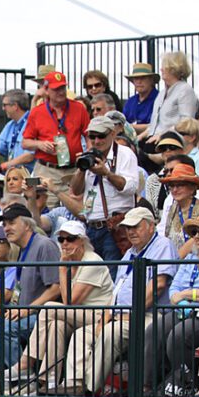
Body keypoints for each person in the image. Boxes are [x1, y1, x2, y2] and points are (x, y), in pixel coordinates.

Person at [61, 208, 174, 397]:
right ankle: (73, 383)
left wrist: (131, 313)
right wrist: (104, 317)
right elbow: (116, 291)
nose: (130, 231)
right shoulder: (130, 252)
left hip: (148, 315)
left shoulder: (163, 245)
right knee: (83, 334)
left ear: (151, 226)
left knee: (110, 332)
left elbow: (158, 286)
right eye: (127, 227)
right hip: (119, 314)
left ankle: (88, 388)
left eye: (135, 226)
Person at [6, 221, 114, 394]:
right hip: (80, 315)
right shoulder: (71, 261)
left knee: (49, 308)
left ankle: (26, 362)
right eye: (61, 239)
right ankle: (47, 383)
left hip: (100, 315)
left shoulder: (92, 261)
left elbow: (70, 301)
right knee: (57, 326)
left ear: (81, 241)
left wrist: (62, 269)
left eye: (70, 239)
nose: (64, 243)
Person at [153, 209, 199, 396]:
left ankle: (188, 383)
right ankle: (147, 387)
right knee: (154, 330)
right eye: (194, 232)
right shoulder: (191, 257)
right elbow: (174, 287)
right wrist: (180, 299)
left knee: (177, 337)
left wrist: (187, 294)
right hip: (183, 310)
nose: (197, 236)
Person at [0, 205, 60, 380]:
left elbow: (56, 288)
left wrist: (27, 309)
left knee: (1, 327)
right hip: (23, 311)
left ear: (27, 225)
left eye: (11, 223)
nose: (6, 228)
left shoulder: (44, 245)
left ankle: (23, 378)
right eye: (4, 224)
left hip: (43, 315)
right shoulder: (21, 250)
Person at [65, 115, 139, 260]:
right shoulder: (88, 155)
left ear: (112, 133)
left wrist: (106, 173)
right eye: (92, 137)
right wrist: (81, 169)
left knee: (112, 274)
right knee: (93, 276)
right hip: (91, 226)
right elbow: (76, 190)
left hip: (115, 227)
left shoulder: (125, 154)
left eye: (101, 136)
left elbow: (131, 188)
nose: (96, 141)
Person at [22, 71, 91, 198]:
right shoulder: (37, 112)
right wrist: (40, 144)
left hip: (73, 171)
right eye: (56, 89)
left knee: (75, 209)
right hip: (46, 171)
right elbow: (25, 142)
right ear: (46, 90)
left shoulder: (79, 108)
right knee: (45, 209)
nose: (61, 92)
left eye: (63, 88)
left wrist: (89, 153)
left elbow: (89, 135)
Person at [141, 51, 198, 145]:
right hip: (153, 138)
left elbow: (186, 122)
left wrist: (162, 135)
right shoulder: (161, 93)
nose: (161, 69)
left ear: (174, 68)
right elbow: (155, 125)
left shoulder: (185, 90)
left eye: (164, 67)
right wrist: (139, 137)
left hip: (172, 141)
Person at [158, 165, 199, 256]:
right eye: (172, 186)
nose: (175, 190)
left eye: (180, 185)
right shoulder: (172, 209)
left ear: (192, 188)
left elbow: (198, 239)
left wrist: (175, 262)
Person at [0, 90, 33, 173]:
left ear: (15, 106)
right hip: (13, 175)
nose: (3, 108)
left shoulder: (32, 122)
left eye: (4, 105)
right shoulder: (10, 125)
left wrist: (1, 167)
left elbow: (29, 156)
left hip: (27, 176)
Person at [123, 62, 159, 134]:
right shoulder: (130, 101)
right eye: (136, 78)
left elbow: (155, 126)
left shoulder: (159, 99)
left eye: (143, 78)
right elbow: (122, 122)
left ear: (151, 80)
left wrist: (128, 127)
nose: (139, 82)